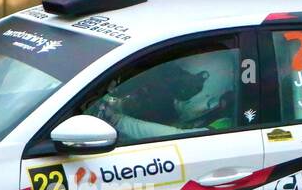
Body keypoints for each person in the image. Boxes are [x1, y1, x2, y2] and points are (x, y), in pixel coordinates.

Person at [89, 61, 235, 143]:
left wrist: (116, 121)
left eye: (175, 86)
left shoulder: (224, 126)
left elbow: (178, 138)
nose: (155, 88)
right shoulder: (158, 104)